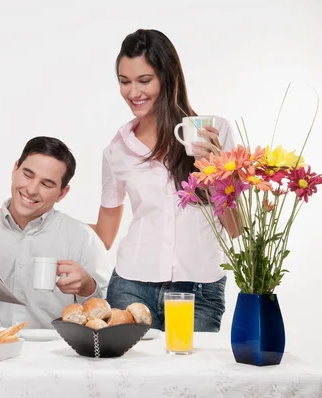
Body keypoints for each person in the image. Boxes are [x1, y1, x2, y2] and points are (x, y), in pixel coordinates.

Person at [91, 29, 240, 332]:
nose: (133, 93)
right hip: (131, 286)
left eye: (144, 80)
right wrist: (41, 216)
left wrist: (213, 167)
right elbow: (104, 234)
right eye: (125, 81)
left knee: (190, 378)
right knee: (126, 379)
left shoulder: (215, 132)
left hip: (199, 291)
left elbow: (238, 228)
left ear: (168, 76)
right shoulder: (117, 149)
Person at [0, 136, 111, 329]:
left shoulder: (82, 239)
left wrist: (88, 288)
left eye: (46, 184)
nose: (31, 190)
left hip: (56, 356)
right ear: (15, 169)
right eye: (27, 175)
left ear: (62, 193)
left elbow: (108, 316)